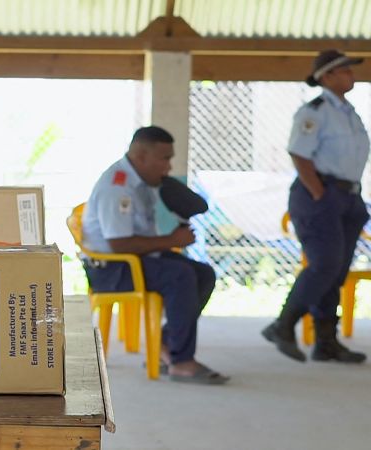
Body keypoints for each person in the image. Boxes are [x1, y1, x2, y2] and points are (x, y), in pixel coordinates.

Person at [81, 126, 228, 385]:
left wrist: (171, 240)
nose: (168, 167)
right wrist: (173, 240)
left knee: (203, 273)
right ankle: (181, 362)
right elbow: (119, 245)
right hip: (111, 269)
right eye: (164, 159)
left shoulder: (144, 182)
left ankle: (166, 346)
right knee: (180, 275)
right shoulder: (118, 187)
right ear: (140, 156)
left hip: (137, 260)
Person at [262, 50, 368, 364]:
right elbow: (299, 154)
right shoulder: (314, 111)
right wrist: (320, 194)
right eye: (344, 70)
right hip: (320, 194)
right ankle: (283, 325)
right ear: (326, 77)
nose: (351, 74)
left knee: (336, 270)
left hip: (349, 197)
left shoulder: (349, 112)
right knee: (325, 263)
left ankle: (326, 342)